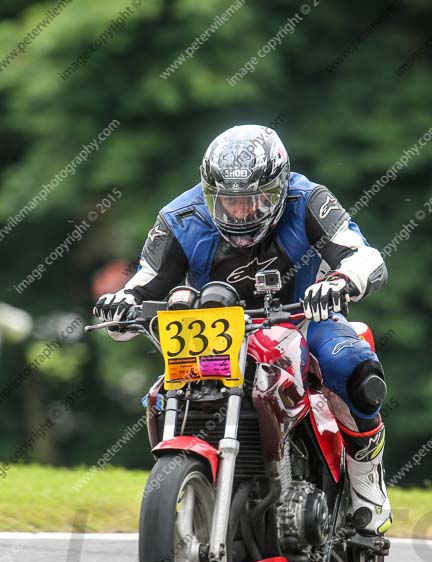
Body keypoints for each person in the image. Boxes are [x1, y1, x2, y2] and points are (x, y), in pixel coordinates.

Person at [93, 125, 392, 535]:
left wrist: (341, 282)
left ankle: (365, 480)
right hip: (217, 333)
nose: (241, 212)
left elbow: (364, 255)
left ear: (280, 186)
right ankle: (198, 485)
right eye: (228, 201)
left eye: (255, 200)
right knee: (163, 396)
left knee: (353, 367)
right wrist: (123, 303)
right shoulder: (179, 217)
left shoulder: (309, 200)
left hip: (303, 320)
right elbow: (146, 280)